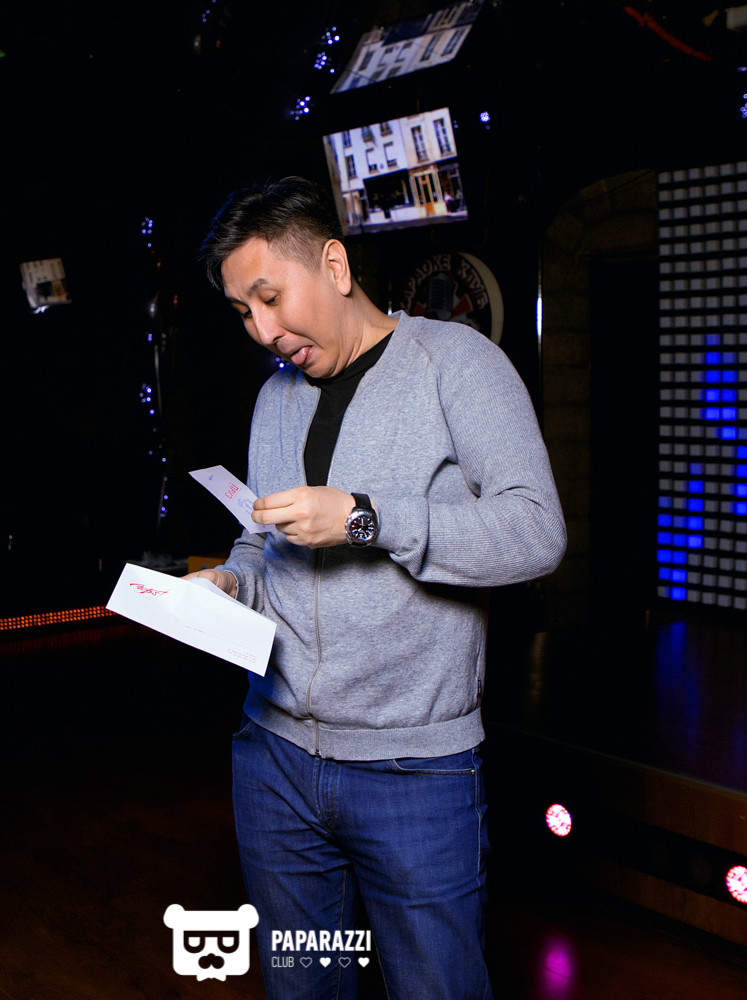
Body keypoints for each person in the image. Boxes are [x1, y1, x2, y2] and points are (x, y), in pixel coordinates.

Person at [188, 176, 566, 999]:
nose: (263, 331)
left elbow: (537, 533)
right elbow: (260, 537)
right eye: (243, 312)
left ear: (334, 264)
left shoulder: (456, 363)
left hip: (413, 768)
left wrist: (366, 518)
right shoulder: (272, 399)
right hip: (272, 757)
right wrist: (230, 580)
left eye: (270, 298)